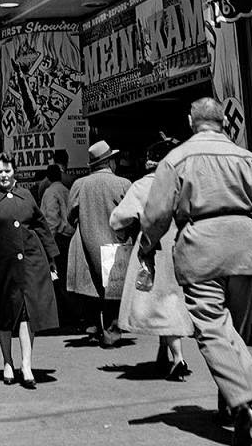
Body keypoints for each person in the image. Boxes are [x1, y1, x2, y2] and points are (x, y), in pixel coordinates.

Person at [140, 98, 252, 446]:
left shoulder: (176, 159)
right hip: (245, 245)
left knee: (211, 328)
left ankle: (241, 400)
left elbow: (157, 213)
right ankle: (230, 403)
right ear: (223, 121)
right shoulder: (248, 158)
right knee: (234, 329)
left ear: (190, 120)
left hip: (201, 245)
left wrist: (148, 245)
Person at [109, 135, 194, 379]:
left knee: (162, 301)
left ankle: (178, 357)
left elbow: (118, 219)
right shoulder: (185, 182)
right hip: (185, 246)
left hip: (153, 249)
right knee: (172, 300)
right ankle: (163, 354)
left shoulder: (143, 185)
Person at [0, 151, 59, 388]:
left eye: (7, 171)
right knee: (5, 315)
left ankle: (26, 365)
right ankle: (8, 362)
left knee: (28, 313)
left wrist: (51, 257)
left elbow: (41, 225)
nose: (4, 176)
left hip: (29, 263)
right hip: (2, 266)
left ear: (14, 170)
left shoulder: (26, 195)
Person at [66, 140, 132, 347]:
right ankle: (111, 333)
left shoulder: (79, 184)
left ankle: (93, 327)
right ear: (110, 162)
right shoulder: (123, 184)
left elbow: (71, 215)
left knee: (90, 288)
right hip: (114, 240)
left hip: (86, 240)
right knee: (114, 289)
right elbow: (131, 215)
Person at [39, 150, 76, 325]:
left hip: (58, 239)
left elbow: (51, 220)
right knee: (68, 277)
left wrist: (48, 244)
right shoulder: (66, 188)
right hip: (70, 236)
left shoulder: (48, 192)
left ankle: (67, 314)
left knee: (58, 278)